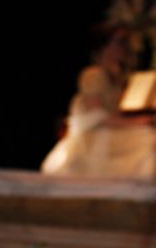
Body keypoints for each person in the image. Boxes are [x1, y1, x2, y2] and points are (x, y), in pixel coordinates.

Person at [41, 25, 156, 179]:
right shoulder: (93, 75)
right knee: (147, 140)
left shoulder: (116, 77)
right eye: (121, 41)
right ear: (105, 46)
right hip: (94, 138)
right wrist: (138, 122)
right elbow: (97, 117)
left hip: (108, 132)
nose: (126, 47)